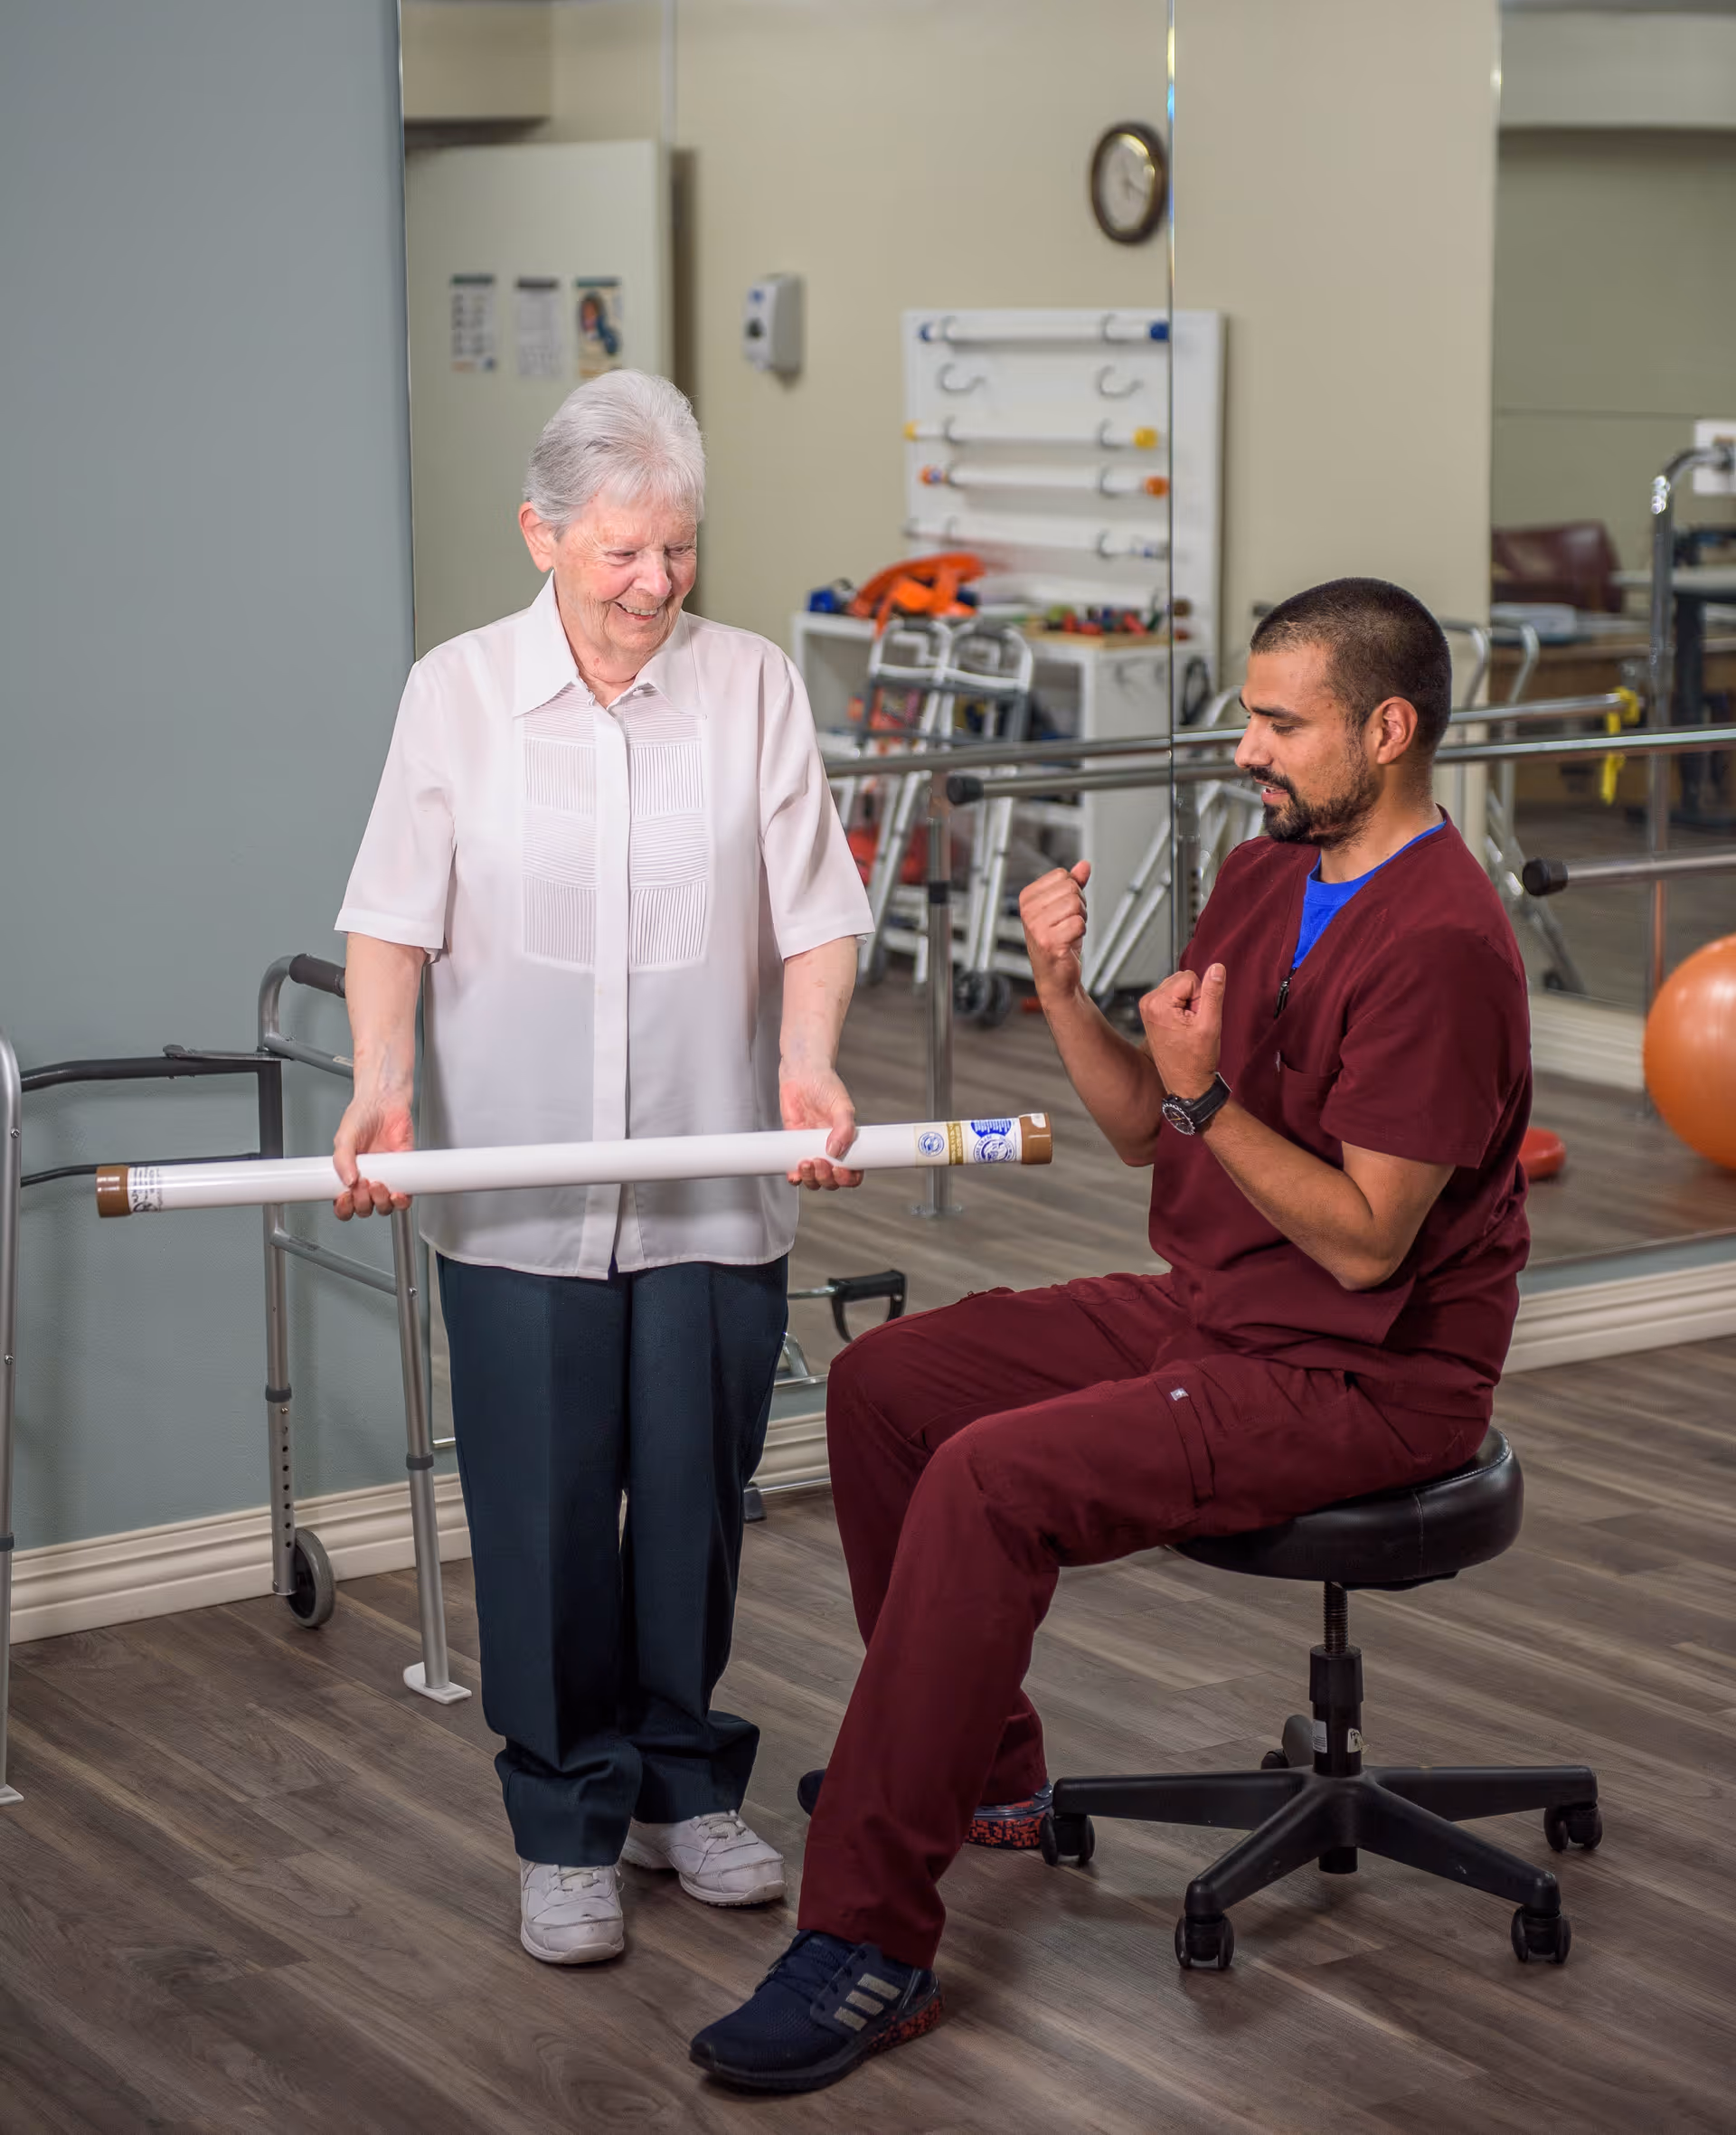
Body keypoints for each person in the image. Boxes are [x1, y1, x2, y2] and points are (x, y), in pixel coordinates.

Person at [690, 576, 1531, 2096]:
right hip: (1219, 1311)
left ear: (1390, 730)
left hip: (1366, 1375)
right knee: (886, 1389)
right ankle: (988, 1779)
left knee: (993, 1483)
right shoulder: (1276, 872)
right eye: (1249, 718)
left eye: (1281, 722)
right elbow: (1150, 1129)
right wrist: (1072, 996)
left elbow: (1365, 1238)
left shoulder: (1448, 947)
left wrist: (1209, 1095)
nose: (1246, 751)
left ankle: (870, 1944)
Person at [332, 370, 873, 1967]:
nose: (655, 584)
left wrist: (810, 1054)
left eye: (678, 551)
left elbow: (820, 907)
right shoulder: (458, 693)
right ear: (543, 535)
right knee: (549, 1510)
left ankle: (680, 1783)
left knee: (698, 1505)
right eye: (624, 551)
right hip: (519, 1192)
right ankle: (566, 1813)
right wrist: (382, 1083)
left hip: (715, 1184)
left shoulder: (752, 686)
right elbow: (393, 911)